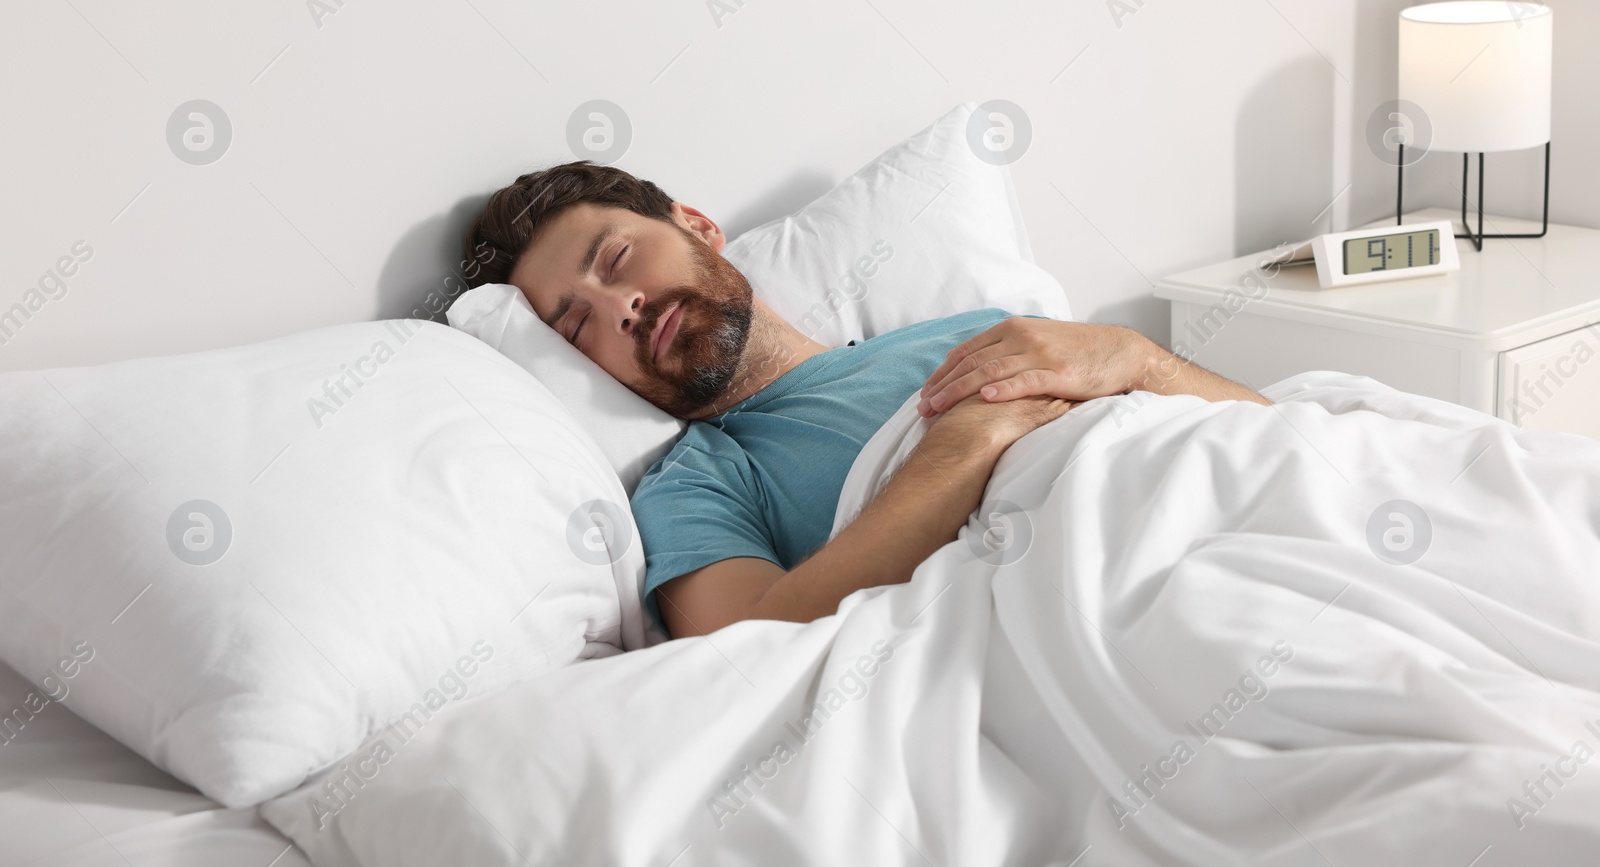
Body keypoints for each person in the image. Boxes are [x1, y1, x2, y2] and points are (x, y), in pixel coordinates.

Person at [463, 163, 1271, 639]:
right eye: (576, 325)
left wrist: (1135, 356)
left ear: (698, 226)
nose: (619, 307)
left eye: (618, 259)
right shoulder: (695, 485)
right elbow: (753, 652)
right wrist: (961, 446)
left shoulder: (978, 329)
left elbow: (1268, 429)